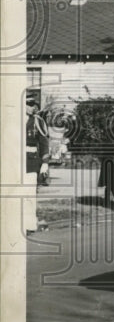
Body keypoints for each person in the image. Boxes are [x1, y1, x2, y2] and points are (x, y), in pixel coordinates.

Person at [24, 96, 49, 234]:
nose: (32, 107)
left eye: (33, 104)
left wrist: (45, 162)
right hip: (14, 161)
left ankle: (28, 225)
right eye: (29, 104)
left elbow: (44, 143)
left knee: (28, 194)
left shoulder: (37, 121)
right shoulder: (10, 120)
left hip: (31, 161)